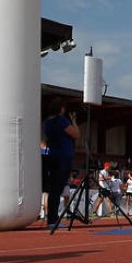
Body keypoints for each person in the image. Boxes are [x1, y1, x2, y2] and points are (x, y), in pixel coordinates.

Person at [42, 98, 80, 228]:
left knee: (54, 189)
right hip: (63, 157)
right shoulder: (61, 121)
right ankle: (52, 220)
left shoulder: (47, 122)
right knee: (57, 190)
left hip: (53, 156)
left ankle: (52, 218)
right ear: (61, 109)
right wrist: (74, 121)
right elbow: (76, 134)